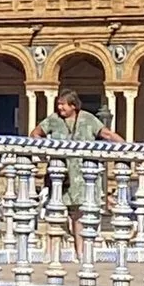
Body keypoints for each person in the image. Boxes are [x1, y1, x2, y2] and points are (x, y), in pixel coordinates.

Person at [34, 86, 108, 260]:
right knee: (55, 214)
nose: (60, 108)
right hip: (61, 176)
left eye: (63, 105)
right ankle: (51, 253)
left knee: (78, 216)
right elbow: (36, 133)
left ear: (73, 105)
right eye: (58, 105)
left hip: (82, 177)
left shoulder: (88, 119)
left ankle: (80, 252)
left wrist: (128, 148)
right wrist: (45, 152)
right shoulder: (53, 120)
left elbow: (106, 134)